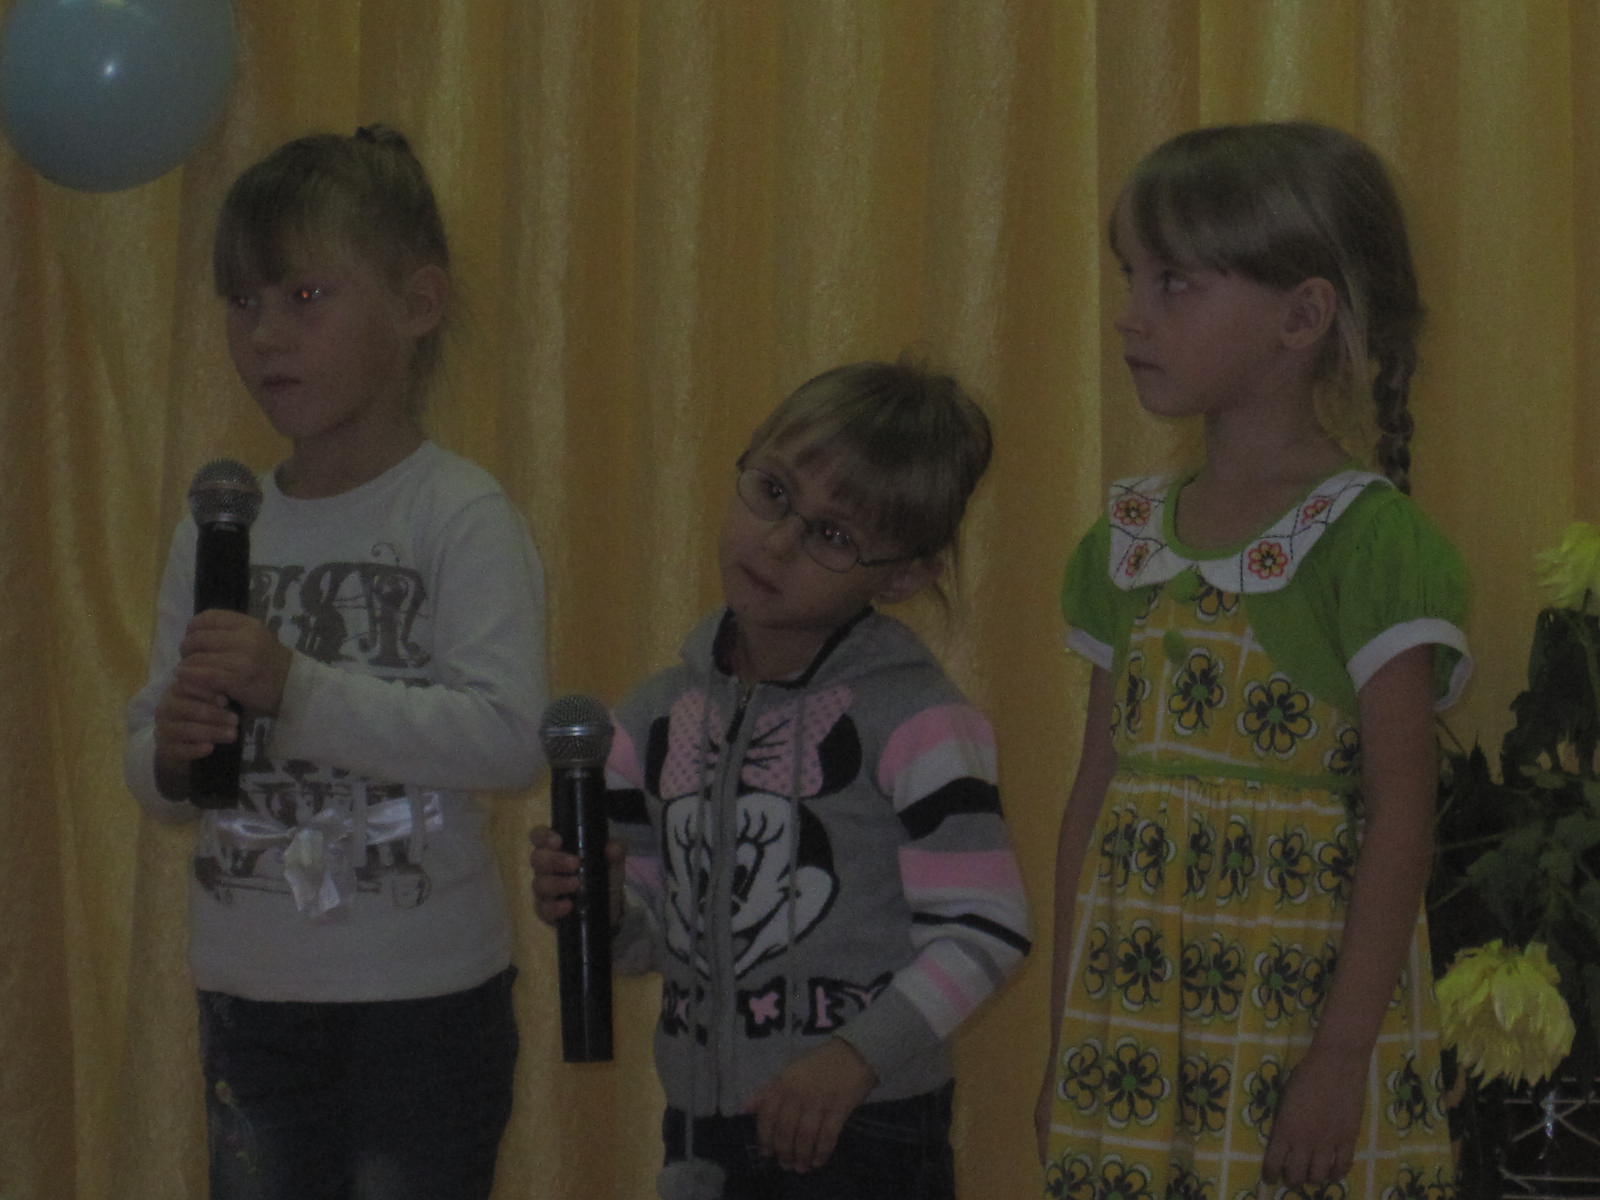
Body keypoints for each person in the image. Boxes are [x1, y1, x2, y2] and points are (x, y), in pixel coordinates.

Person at [1035, 121, 1472, 1199]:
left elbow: (1402, 821)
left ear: (1301, 317)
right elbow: (1095, 794)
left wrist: (1339, 1062)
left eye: (1175, 282)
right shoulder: (1128, 538)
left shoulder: (1370, 544)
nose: (1132, 314)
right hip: (1137, 1028)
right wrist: (1069, 1040)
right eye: (1131, 277)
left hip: (1298, 1026)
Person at [123, 126, 547, 1200]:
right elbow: (152, 758)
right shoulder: (218, 522)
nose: (266, 335)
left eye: (305, 297)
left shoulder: (458, 512)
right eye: (243, 302)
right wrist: (169, 752)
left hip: (423, 1003)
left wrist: (297, 689)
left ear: (417, 305)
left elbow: (506, 737)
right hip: (251, 995)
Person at [531, 360, 1031, 1200]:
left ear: (903, 576)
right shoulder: (649, 718)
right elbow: (651, 937)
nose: (775, 543)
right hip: (702, 1126)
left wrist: (855, 1058)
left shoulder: (916, 720)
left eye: (831, 535)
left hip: (863, 1126)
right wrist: (602, 907)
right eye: (771, 493)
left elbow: (988, 928)